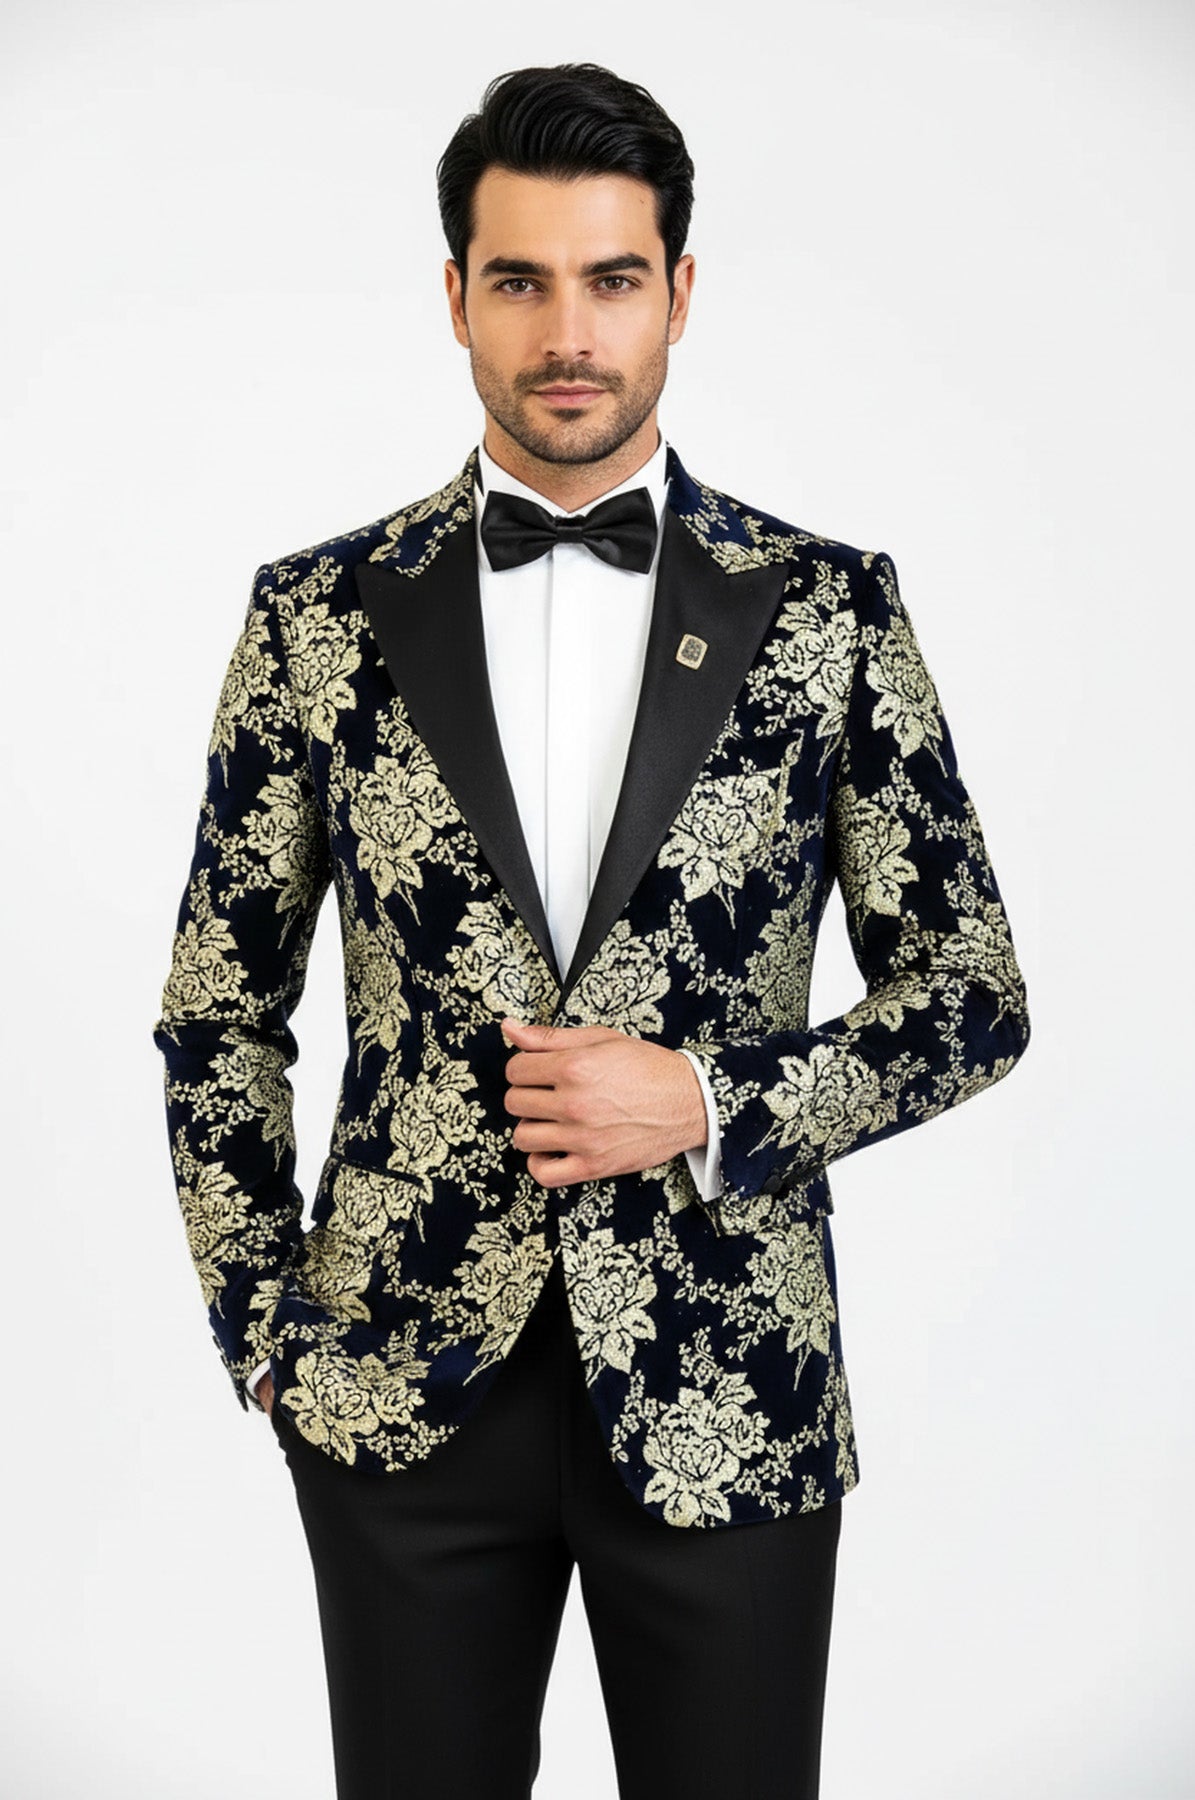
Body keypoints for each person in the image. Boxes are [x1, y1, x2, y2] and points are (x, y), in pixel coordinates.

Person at [152, 60, 1030, 1800]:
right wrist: (265, 1327)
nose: (569, 334)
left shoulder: (828, 613)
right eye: (521, 280)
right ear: (456, 296)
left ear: (679, 292)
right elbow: (218, 1009)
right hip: (397, 1391)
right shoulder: (316, 617)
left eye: (613, 279)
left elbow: (972, 993)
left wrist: (703, 1101)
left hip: (732, 1382)